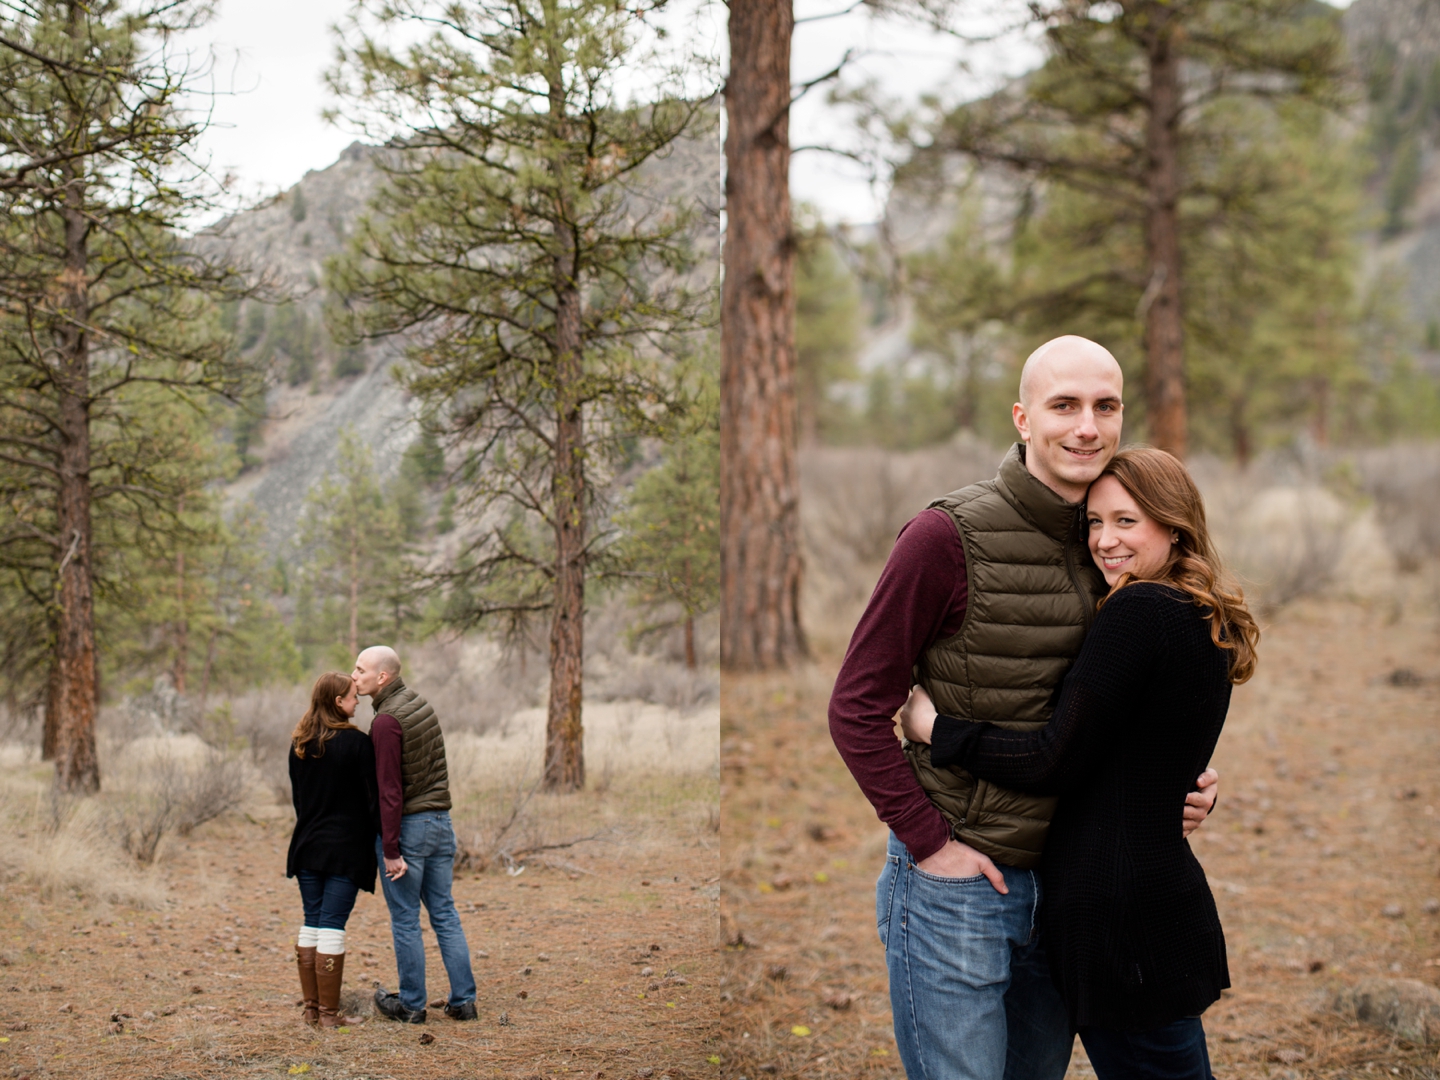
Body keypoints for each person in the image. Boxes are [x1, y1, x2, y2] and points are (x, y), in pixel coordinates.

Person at [827, 335, 1219, 1080]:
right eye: (1063, 405)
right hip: (960, 888)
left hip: (1071, 890)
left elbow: (1115, 702)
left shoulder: (1112, 538)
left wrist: (1177, 777)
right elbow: (854, 706)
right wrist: (929, 844)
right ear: (1022, 418)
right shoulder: (946, 537)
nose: (1086, 426)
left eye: (1105, 407)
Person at [899, 447, 1259, 1079]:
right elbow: (1150, 754)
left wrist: (935, 729)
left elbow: (1050, 761)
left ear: (1173, 524)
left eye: (1127, 521)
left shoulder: (1137, 611)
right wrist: (1192, 790)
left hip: (1120, 919)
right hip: (1158, 902)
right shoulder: (1201, 612)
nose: (1104, 540)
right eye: (1094, 522)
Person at [352, 644, 477, 1024]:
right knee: (444, 913)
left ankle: (410, 1005)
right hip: (441, 823)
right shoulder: (420, 704)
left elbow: (390, 790)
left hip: (409, 829)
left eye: (360, 670)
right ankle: (463, 1002)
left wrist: (391, 849)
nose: (354, 676)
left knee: (406, 918)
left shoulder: (387, 722)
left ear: (382, 677)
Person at [287, 672, 379, 1028]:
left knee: (312, 923)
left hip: (307, 845)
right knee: (332, 926)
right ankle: (328, 1016)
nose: (358, 701)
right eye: (353, 696)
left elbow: (299, 801)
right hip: (344, 849)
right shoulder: (356, 744)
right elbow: (372, 802)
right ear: (338, 702)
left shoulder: (300, 742)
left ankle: (312, 1010)